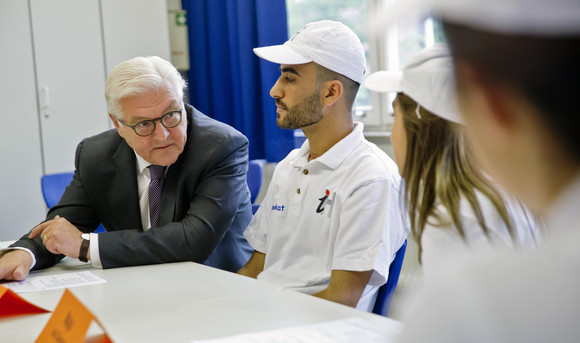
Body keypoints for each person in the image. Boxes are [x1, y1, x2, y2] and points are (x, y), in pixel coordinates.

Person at [374, 0, 580, 343]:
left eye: (394, 117)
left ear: (490, 100)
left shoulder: (461, 262)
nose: (391, 132)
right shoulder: (499, 199)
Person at [0, 56, 253, 280]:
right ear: (118, 125)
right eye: (144, 124)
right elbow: (63, 227)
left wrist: (86, 246)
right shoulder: (96, 155)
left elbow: (194, 240)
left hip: (218, 285)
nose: (163, 135)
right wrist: (25, 254)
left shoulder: (221, 147)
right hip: (137, 285)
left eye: (171, 115)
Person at [237, 20, 408, 312]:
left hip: (314, 336)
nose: (274, 91)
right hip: (264, 319)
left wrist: (261, 316)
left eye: (289, 79)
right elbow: (255, 269)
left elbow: (341, 301)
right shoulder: (290, 166)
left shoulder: (369, 177)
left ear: (331, 93)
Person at [364, 44, 538, 278]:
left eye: (396, 117)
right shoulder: (503, 193)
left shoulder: (452, 222)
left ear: (421, 131)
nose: (392, 133)